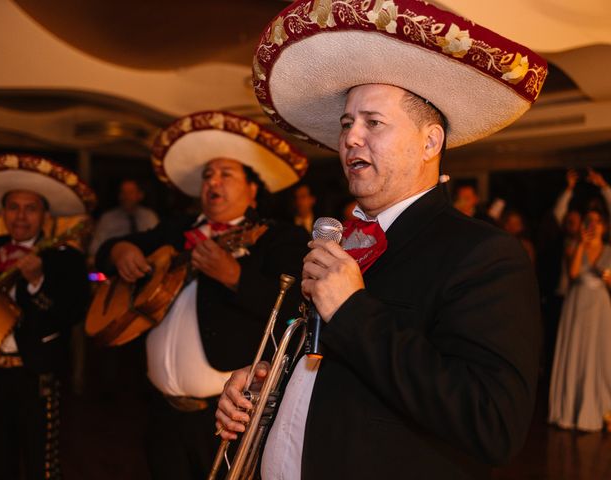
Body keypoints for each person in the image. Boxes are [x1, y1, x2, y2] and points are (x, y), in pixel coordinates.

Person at [216, 1, 547, 478]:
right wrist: (269, 385)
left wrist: (352, 310)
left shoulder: (484, 255)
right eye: (347, 123)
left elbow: (491, 423)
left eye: (373, 122)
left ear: (430, 142)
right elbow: (333, 373)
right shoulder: (341, 241)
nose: (350, 138)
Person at [95, 111, 310, 480]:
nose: (214, 181)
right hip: (160, 410)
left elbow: (296, 309)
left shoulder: (277, 237)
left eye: (227, 173)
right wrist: (120, 252)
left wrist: (236, 277)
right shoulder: (177, 229)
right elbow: (109, 251)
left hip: (227, 414)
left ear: (252, 188)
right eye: (208, 174)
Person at [0, 154, 94, 480]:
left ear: (45, 216)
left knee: (42, 463)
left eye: (31, 208)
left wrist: (37, 282)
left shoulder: (65, 258)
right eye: (13, 207)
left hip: (36, 377)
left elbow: (72, 313)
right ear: (2, 213)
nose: (21, 216)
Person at [549, 208, 611, 432]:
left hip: (601, 307)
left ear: (604, 227)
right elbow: (573, 273)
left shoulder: (609, 250)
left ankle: (601, 410)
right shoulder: (574, 246)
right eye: (589, 221)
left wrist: (607, 277)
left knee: (600, 355)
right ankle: (572, 411)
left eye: (597, 222)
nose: (593, 226)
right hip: (577, 304)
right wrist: (582, 245)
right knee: (576, 352)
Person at [88, 178, 159, 257]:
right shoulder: (107, 218)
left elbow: (159, 244)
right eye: (123, 192)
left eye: (130, 193)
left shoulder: (150, 216)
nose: (126, 197)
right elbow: (94, 249)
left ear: (140, 195)